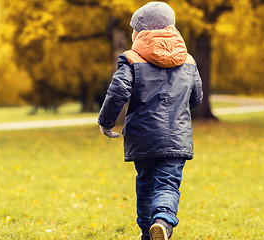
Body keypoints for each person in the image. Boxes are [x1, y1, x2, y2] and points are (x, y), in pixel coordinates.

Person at [98, 2, 203, 239]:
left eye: (134, 29)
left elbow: (118, 92)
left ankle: (148, 233)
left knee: (145, 186)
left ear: (141, 32)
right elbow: (196, 98)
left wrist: (106, 121)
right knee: (167, 184)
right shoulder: (188, 61)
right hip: (176, 137)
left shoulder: (132, 59)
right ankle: (163, 222)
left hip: (142, 138)